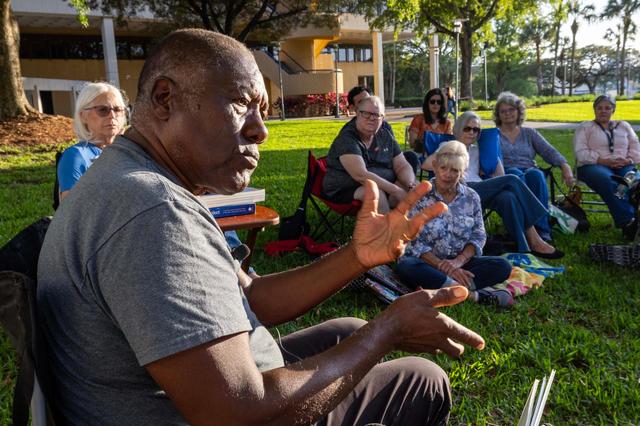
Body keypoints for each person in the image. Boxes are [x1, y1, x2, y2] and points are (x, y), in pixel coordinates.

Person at [37, 29, 485, 425]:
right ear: (164, 99)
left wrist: (357, 257)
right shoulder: (151, 211)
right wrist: (389, 329)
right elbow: (236, 414)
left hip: (195, 389)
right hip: (229, 409)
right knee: (422, 379)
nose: (260, 131)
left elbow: (250, 296)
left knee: (349, 327)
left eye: (263, 110)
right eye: (240, 104)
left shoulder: (137, 181)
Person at [424, 111, 563, 258]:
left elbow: (500, 175)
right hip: (462, 190)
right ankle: (536, 235)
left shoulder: (478, 151)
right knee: (512, 180)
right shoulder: (448, 146)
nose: (472, 132)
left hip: (480, 191)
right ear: (458, 128)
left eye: (476, 130)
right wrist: (451, 164)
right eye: (467, 128)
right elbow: (426, 164)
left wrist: (493, 155)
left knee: (507, 197)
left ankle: (525, 248)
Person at [396, 141, 513, 305]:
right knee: (406, 266)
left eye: (455, 170)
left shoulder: (471, 197)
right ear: (435, 166)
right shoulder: (421, 195)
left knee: (503, 266)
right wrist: (443, 266)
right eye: (443, 168)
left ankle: (446, 288)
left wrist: (459, 261)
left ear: (463, 172)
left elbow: (479, 235)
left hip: (461, 263)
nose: (448, 174)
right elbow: (412, 240)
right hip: (427, 263)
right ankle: (473, 295)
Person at [494, 91, 574, 241]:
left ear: (519, 111)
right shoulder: (495, 135)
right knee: (515, 173)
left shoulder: (529, 133)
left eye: (511, 109)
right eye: (503, 111)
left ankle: (542, 229)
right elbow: (491, 161)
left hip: (529, 169)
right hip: (507, 173)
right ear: (498, 115)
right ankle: (528, 230)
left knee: (536, 175)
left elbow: (548, 151)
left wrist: (565, 166)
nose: (507, 114)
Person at [323, 96, 418, 213]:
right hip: (345, 188)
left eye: (376, 115)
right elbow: (361, 176)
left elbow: (402, 165)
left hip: (384, 182)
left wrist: (410, 184)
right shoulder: (347, 138)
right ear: (357, 113)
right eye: (366, 114)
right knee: (376, 194)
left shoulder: (385, 135)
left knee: (416, 190)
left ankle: (422, 227)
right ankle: (387, 230)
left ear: (382, 118)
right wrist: (396, 191)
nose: (371, 118)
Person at [574, 94, 640, 239]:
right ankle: (628, 223)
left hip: (623, 164)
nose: (603, 111)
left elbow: (636, 147)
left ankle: (635, 223)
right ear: (594, 110)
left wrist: (628, 161)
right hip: (592, 165)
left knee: (635, 181)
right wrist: (604, 161)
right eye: (599, 108)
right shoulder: (585, 127)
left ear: (613, 110)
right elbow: (581, 153)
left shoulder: (624, 126)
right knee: (608, 181)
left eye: (607, 108)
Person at [57, 81, 127, 202]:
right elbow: (71, 212)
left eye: (117, 109)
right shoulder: (76, 156)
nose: (112, 116)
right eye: (103, 110)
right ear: (83, 116)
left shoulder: (129, 151)